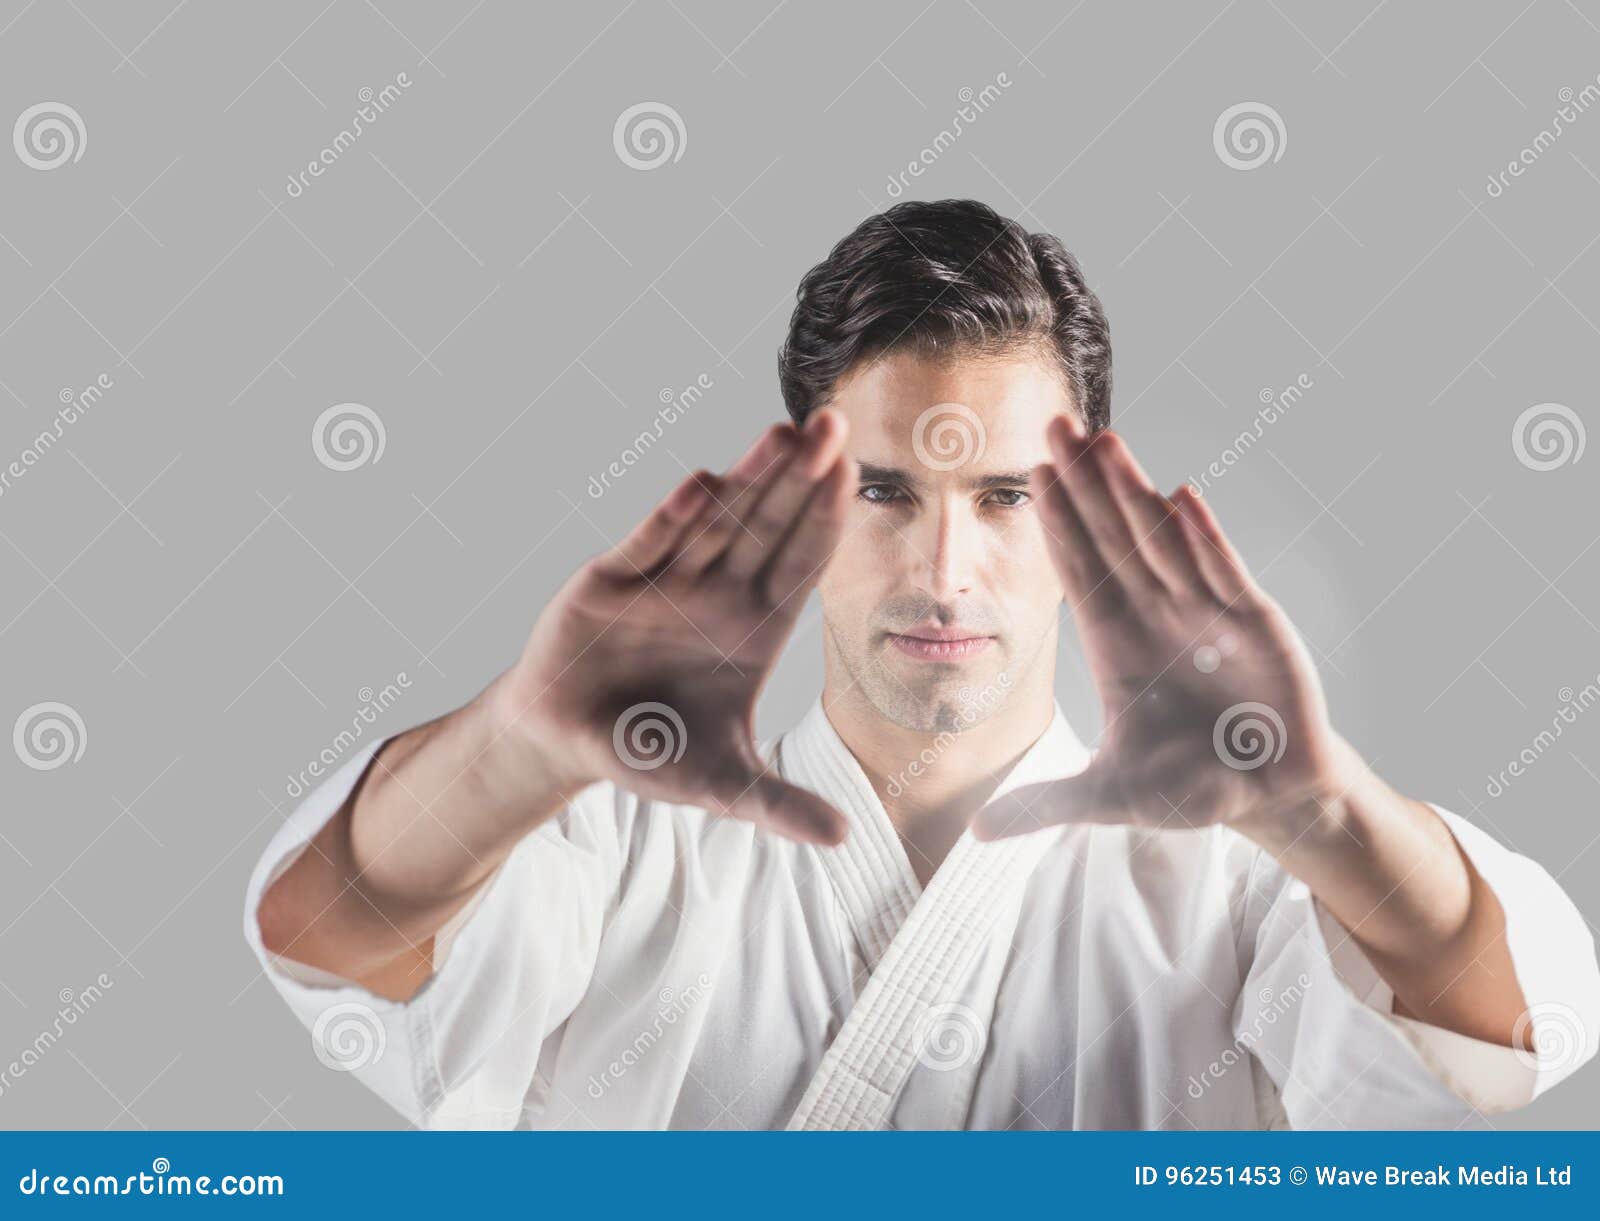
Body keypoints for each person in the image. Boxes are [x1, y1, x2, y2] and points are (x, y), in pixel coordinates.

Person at [244, 199, 1598, 1130]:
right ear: (806, 497)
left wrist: (1312, 807)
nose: (945, 570)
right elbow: (329, 938)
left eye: (1008, 496)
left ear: (1087, 516)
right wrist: (519, 749)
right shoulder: (617, 848)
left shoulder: (1235, 890)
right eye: (886, 490)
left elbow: (1505, 1027)